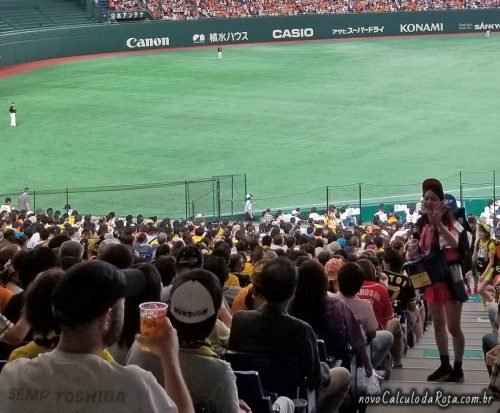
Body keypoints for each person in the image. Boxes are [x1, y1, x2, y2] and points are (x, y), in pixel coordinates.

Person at [0, 260, 194, 413]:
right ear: (106, 319)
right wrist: (169, 357)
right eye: (122, 303)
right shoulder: (136, 385)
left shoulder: (12, 376)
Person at [229, 258, 351, 413]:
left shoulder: (240, 320)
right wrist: (326, 367)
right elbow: (315, 377)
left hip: (252, 396)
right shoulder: (301, 329)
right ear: (294, 291)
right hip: (296, 398)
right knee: (344, 375)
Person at [410, 178, 466, 383]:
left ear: (441, 201)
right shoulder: (421, 223)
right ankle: (444, 364)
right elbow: (422, 250)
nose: (428, 201)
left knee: (453, 327)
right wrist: (413, 251)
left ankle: (458, 367)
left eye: (432, 198)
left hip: (451, 279)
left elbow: (455, 243)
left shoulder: (452, 221)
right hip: (432, 279)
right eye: (425, 198)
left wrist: (438, 225)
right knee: (438, 325)